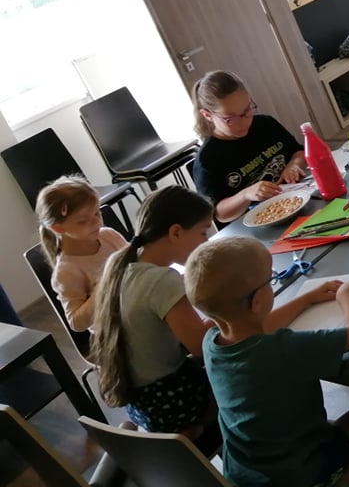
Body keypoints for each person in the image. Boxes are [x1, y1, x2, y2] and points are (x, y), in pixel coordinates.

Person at [184, 236, 349, 487]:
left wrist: (306, 299)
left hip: (246, 475)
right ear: (257, 301)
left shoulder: (211, 343)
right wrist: (345, 296)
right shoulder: (280, 349)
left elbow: (260, 325)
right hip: (297, 474)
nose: (272, 282)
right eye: (270, 279)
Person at [90, 185, 217, 436]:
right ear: (176, 232)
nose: (206, 241)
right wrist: (226, 310)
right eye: (203, 233)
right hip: (172, 403)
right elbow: (203, 347)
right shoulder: (162, 280)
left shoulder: (119, 263)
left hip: (141, 403)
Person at [191, 70, 307, 224]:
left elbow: (298, 152)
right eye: (230, 118)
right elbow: (219, 214)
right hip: (258, 222)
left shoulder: (266, 124)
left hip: (296, 201)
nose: (244, 122)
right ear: (207, 115)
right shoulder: (208, 160)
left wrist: (293, 165)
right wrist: (245, 195)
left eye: (247, 111)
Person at [36, 175, 127, 332]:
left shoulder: (108, 235)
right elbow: (76, 323)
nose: (96, 222)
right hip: (117, 330)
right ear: (58, 228)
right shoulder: (67, 271)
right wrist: (105, 287)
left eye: (97, 213)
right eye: (83, 221)